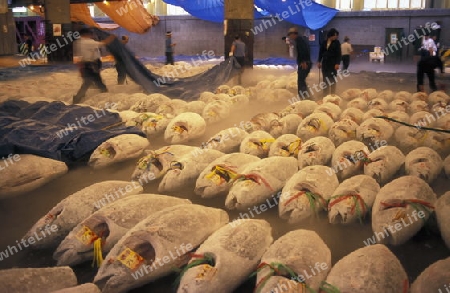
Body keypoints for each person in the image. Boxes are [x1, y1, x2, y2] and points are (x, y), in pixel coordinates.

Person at [73, 28, 115, 104]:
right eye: (90, 34)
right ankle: (78, 98)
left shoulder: (78, 42)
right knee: (91, 82)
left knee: (90, 82)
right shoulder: (88, 42)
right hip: (91, 65)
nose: (91, 35)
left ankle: (78, 98)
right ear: (86, 34)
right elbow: (102, 44)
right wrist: (112, 37)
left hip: (85, 65)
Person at [287, 27, 311, 99]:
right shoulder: (300, 40)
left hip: (304, 63)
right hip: (305, 62)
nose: (290, 37)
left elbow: (303, 51)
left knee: (301, 81)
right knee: (302, 81)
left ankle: (304, 97)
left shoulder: (300, 40)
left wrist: (303, 62)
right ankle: (307, 97)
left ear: (294, 34)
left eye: (290, 35)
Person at [318, 28, 341, 97]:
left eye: (337, 35)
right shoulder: (324, 42)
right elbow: (321, 52)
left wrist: (337, 63)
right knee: (325, 79)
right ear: (330, 35)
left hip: (333, 64)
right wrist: (319, 61)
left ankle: (332, 94)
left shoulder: (337, 43)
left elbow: (339, 54)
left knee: (332, 78)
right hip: (325, 63)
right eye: (335, 35)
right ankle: (325, 94)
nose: (336, 37)